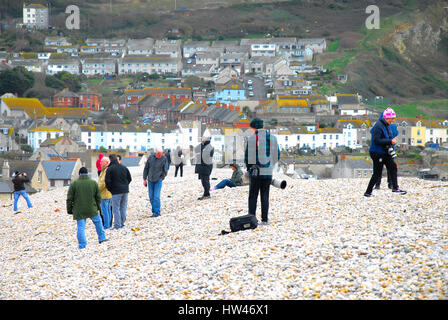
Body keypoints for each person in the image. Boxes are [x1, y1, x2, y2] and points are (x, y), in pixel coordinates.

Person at [364, 107, 407, 197]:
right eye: (392, 119)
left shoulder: (386, 125)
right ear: (387, 118)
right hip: (377, 152)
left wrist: (390, 141)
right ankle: (368, 192)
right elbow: (376, 140)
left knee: (393, 167)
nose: (392, 121)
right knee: (377, 173)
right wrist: (390, 141)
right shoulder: (378, 126)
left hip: (385, 152)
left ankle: (395, 188)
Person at [245, 118, 280, 225]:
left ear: (254, 127)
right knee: (265, 195)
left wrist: (249, 168)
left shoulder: (252, 139)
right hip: (268, 172)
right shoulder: (273, 138)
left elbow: (248, 157)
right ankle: (264, 219)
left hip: (256, 172)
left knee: (253, 196)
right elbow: (277, 155)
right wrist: (270, 165)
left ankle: (252, 218)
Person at [66, 167, 106, 249]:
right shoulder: (93, 183)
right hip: (92, 208)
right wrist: (98, 207)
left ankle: (82, 245)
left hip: (79, 210)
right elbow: (98, 197)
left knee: (81, 227)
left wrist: (69, 210)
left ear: (79, 174)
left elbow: (69, 199)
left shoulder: (74, 184)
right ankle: (102, 238)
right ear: (87, 173)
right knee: (98, 223)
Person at [105, 154, 132, 229]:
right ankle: (122, 223)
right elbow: (129, 178)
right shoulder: (124, 167)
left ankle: (117, 225)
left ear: (110, 160)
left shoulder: (110, 169)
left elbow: (107, 181)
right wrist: (125, 185)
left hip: (116, 191)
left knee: (116, 208)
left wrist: (110, 189)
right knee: (123, 207)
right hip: (125, 190)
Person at [374, 111, 398, 190]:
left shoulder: (378, 125)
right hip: (389, 147)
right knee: (390, 167)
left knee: (378, 167)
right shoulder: (392, 126)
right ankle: (390, 184)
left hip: (381, 148)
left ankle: (378, 184)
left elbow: (373, 133)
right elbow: (395, 133)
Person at [143, 147, 168, 217]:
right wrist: (144, 179)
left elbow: (165, 169)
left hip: (158, 180)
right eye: (159, 154)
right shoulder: (150, 158)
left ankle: (157, 212)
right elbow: (146, 168)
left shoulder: (164, 158)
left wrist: (162, 177)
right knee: (151, 197)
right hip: (150, 180)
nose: (160, 155)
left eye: (161, 154)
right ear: (155, 153)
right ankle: (154, 211)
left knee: (156, 197)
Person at [195, 136, 214, 200]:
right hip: (203, 166)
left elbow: (204, 157)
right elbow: (197, 149)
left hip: (205, 166)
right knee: (204, 180)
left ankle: (207, 194)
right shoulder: (205, 146)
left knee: (205, 181)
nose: (202, 141)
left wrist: (198, 155)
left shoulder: (209, 147)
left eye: (203, 140)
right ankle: (206, 193)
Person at [98, 156, 112, 229]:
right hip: (108, 194)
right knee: (108, 210)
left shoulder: (106, 170)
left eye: (101, 162)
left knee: (105, 211)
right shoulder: (104, 170)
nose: (100, 163)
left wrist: (97, 190)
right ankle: (108, 225)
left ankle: (107, 225)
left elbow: (103, 183)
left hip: (104, 194)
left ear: (106, 162)